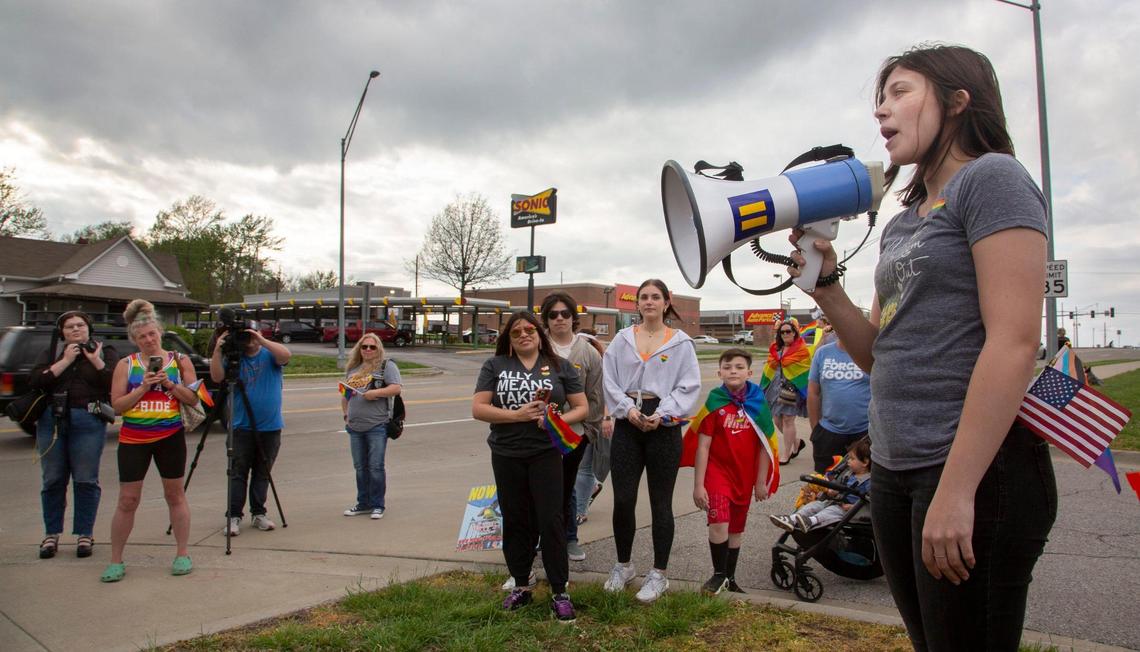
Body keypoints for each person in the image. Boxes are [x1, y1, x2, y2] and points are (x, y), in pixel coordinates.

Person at [786, 44, 1055, 651]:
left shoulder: (994, 179)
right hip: (897, 468)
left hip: (974, 472)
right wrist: (826, 287)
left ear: (959, 102)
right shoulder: (904, 220)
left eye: (900, 92)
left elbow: (1013, 342)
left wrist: (957, 491)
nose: (882, 111)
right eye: (880, 99)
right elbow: (881, 355)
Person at [472, 311, 588, 621]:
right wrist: (517, 416)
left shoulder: (560, 367)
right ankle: (521, 585)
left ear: (539, 333)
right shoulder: (495, 366)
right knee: (515, 518)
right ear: (508, 339)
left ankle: (559, 591)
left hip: (546, 453)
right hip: (507, 453)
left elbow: (582, 407)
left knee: (551, 519)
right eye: (516, 332)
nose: (524, 335)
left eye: (529, 330)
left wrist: (554, 420)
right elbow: (479, 408)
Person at [601, 278, 701, 603]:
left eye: (655, 297)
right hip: (628, 420)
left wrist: (664, 413)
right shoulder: (622, 339)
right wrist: (627, 411)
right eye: (643, 297)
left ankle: (659, 574)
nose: (649, 302)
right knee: (623, 499)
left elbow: (689, 385)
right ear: (637, 304)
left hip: (664, 424)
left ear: (666, 301)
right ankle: (623, 565)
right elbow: (610, 381)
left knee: (661, 502)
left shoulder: (680, 342)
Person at [104, 299, 200, 582]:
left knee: (175, 494)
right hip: (134, 438)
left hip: (170, 437)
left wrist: (170, 384)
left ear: (160, 332)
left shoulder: (179, 361)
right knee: (128, 499)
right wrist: (144, 386)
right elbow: (117, 406)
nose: (148, 340)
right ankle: (115, 560)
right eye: (142, 336)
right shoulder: (126, 365)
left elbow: (194, 398)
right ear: (134, 339)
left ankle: (182, 553)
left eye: (152, 334)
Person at [685, 348, 777, 595]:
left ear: (749, 372)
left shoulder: (758, 403)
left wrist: (760, 482)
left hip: (744, 477)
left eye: (738, 367)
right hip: (717, 474)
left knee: (736, 529)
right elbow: (703, 446)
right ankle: (717, 575)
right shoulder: (715, 401)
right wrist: (698, 485)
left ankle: (731, 578)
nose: (733, 371)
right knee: (719, 524)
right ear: (719, 372)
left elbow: (765, 446)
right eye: (727, 367)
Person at [30, 311, 118, 559]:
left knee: (85, 479)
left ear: (89, 328)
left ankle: (84, 534)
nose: (76, 330)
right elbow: (36, 381)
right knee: (53, 479)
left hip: (88, 419)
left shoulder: (105, 350)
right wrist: (65, 360)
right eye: (69, 327)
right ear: (62, 332)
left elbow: (114, 383)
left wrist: (95, 360)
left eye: (81, 325)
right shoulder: (52, 351)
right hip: (52, 420)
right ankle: (51, 534)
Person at [210, 323, 291, 535]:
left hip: (270, 427)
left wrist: (261, 340)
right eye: (244, 336)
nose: (249, 340)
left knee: (262, 473)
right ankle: (234, 516)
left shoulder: (269, 354)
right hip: (241, 427)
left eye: (251, 335)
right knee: (238, 473)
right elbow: (217, 377)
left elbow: (285, 356)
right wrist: (218, 349)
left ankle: (259, 513)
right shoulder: (234, 357)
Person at [541, 293, 604, 563]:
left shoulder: (587, 352)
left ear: (573, 318)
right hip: (538, 433)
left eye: (564, 313)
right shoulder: (537, 348)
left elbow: (596, 395)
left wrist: (590, 431)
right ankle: (543, 539)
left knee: (566, 488)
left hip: (574, 433)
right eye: (553, 314)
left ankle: (569, 539)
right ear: (545, 319)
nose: (559, 319)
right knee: (541, 488)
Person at [340, 333, 402, 520]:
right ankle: (363, 503)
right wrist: (346, 415)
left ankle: (377, 504)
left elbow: (396, 388)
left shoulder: (386, 366)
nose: (367, 350)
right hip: (355, 426)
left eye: (372, 347)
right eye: (364, 347)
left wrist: (375, 393)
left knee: (375, 466)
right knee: (360, 467)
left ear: (378, 349)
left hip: (377, 425)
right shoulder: (353, 368)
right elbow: (345, 394)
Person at [770, 438, 871, 533]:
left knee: (830, 511)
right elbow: (837, 488)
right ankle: (792, 519)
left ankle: (811, 521)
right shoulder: (849, 474)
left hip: (852, 510)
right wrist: (832, 492)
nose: (848, 461)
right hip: (836, 502)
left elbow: (871, 502)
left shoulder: (869, 482)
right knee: (815, 505)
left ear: (865, 462)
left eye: (852, 459)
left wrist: (853, 506)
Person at [807, 335, 871, 473]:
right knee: (824, 485)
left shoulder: (869, 353)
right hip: (828, 432)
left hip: (864, 433)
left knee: (861, 485)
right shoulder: (822, 353)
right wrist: (816, 428)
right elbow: (813, 392)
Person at [761, 319, 811, 464]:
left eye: (788, 331)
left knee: (788, 420)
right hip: (775, 387)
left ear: (795, 332)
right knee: (777, 420)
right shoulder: (775, 349)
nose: (785, 334)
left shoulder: (802, 350)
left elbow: (805, 370)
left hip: (792, 388)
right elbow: (770, 368)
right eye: (782, 332)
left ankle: (786, 453)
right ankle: (796, 442)